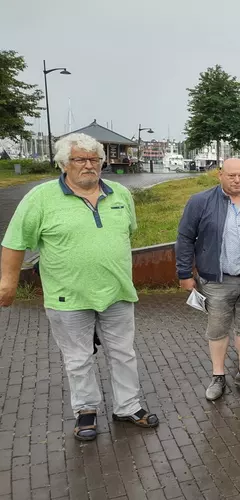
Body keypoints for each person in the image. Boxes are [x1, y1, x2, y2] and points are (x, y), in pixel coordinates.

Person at [0, 133, 158, 441]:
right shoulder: (41, 198)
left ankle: (127, 406)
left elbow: (129, 232)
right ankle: (86, 410)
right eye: (80, 159)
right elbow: (14, 242)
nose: (89, 166)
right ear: (63, 164)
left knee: (123, 353)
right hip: (67, 296)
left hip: (117, 292)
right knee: (78, 357)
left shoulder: (120, 194)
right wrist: (8, 282)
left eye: (94, 159)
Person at [175, 158, 240, 401]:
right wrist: (185, 274)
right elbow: (185, 238)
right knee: (217, 329)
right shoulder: (200, 201)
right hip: (217, 280)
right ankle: (218, 376)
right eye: (231, 175)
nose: (236, 180)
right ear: (220, 175)